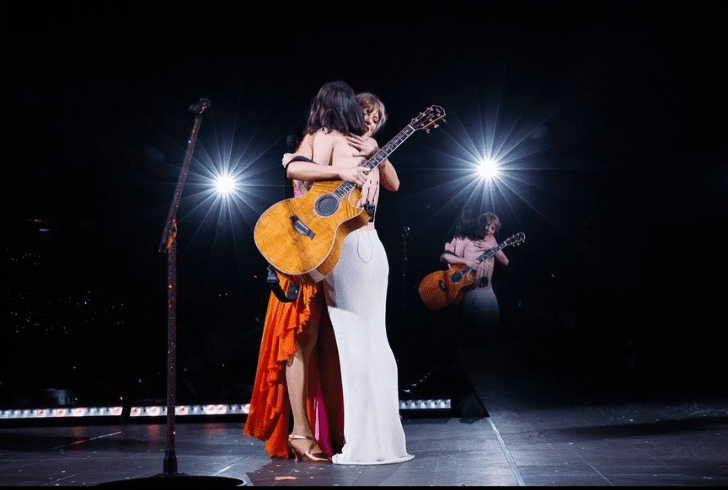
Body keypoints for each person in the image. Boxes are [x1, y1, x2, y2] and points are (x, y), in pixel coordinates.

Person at [245, 82, 411, 465]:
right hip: (307, 249)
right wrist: (342, 168)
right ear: (349, 110)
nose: (369, 122)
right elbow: (293, 168)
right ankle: (310, 432)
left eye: (376, 119)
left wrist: (377, 156)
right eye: (365, 114)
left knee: (345, 346)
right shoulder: (322, 139)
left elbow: (392, 183)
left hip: (341, 247)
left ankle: (349, 433)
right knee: (306, 341)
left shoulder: (362, 147)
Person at [440, 209, 510, 335]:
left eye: (492, 228)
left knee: (491, 334)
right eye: (486, 225)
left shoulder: (492, 241)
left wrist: (492, 248)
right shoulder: (465, 239)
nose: (488, 229)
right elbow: (447, 260)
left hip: (488, 292)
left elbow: (505, 262)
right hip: (469, 292)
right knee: (469, 334)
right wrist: (463, 260)